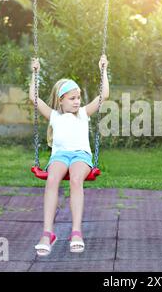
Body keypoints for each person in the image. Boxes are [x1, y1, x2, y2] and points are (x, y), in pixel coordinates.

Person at [30, 55, 109, 256]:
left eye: (78, 97)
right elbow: (34, 97)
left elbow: (104, 95)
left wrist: (103, 70)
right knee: (52, 179)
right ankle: (48, 233)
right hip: (60, 156)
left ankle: (76, 232)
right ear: (61, 100)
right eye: (72, 98)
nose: (77, 102)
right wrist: (34, 73)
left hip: (81, 157)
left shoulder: (83, 113)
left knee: (75, 180)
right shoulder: (54, 115)